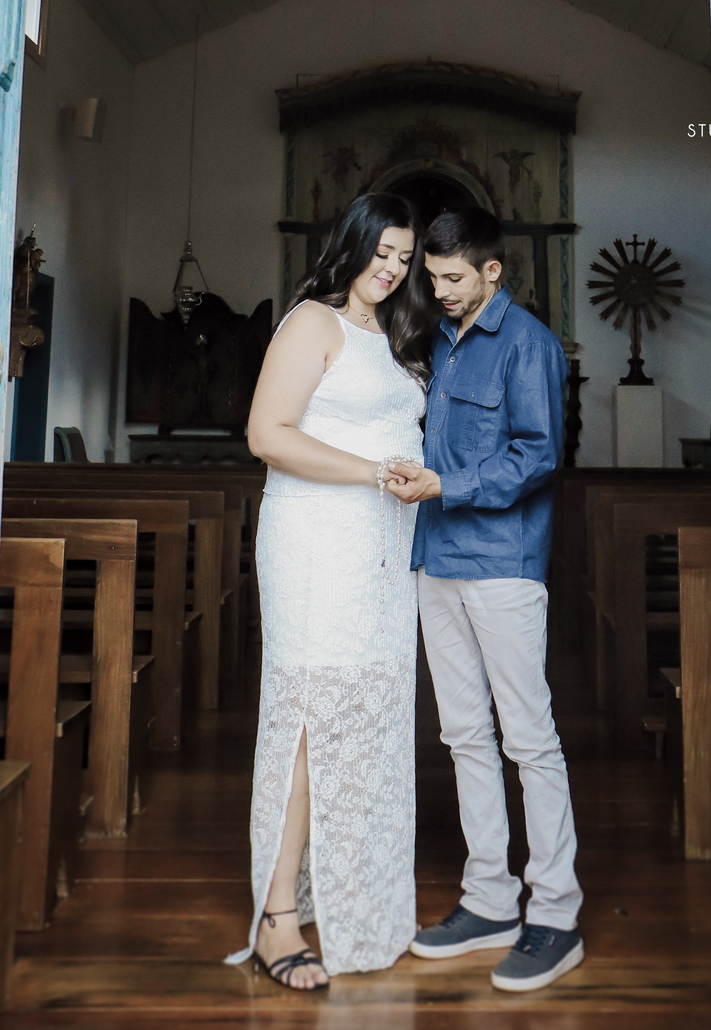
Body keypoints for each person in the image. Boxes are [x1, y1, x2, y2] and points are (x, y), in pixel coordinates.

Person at [225, 193, 432, 990]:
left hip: (383, 553)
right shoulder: (312, 322)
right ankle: (277, 915)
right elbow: (266, 435)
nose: (392, 268)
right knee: (311, 722)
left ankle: (346, 895)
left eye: (404, 258)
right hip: (317, 545)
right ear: (351, 246)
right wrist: (374, 472)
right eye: (382, 252)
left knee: (368, 720)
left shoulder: (394, 336)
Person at [385, 207, 584, 995]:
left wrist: (446, 484)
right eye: (432, 278)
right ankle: (490, 900)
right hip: (436, 558)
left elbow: (538, 456)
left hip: (504, 564)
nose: (439, 291)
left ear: (492, 271)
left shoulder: (529, 343)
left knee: (529, 739)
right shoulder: (440, 340)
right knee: (464, 735)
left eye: (453, 277)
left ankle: (557, 914)